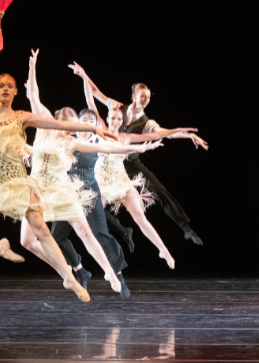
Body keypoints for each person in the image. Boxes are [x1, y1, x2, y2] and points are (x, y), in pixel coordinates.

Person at [0, 54, 116, 302]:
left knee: (40, 229)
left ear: (16, 91)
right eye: (1, 86)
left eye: (10, 86)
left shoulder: (22, 116)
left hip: (15, 181)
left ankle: (70, 279)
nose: (5, 89)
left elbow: (56, 125)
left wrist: (93, 128)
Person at [22, 51, 168, 298]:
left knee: (89, 232)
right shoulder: (44, 126)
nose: (68, 130)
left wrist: (140, 147)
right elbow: (33, 96)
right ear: (56, 120)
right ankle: (71, 269)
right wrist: (33, 67)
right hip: (36, 191)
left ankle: (112, 273)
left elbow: (106, 146)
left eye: (72, 127)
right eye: (65, 125)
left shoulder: (73, 142)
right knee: (28, 242)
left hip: (67, 191)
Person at [71, 62, 196, 269]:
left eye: (118, 120)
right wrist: (84, 76)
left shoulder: (126, 137)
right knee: (93, 220)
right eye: (112, 118)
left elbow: (156, 133)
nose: (114, 121)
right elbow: (91, 101)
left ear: (121, 121)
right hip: (102, 184)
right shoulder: (100, 128)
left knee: (140, 217)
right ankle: (108, 262)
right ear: (108, 117)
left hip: (122, 182)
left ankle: (164, 251)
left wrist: (180, 131)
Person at [83, 72, 208, 245]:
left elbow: (165, 134)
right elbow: (95, 93)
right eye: (143, 96)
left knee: (158, 189)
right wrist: (84, 75)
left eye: (148, 97)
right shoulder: (118, 108)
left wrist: (187, 136)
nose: (146, 99)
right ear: (134, 96)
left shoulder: (147, 123)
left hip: (131, 164)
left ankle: (186, 228)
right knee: (94, 203)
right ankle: (122, 230)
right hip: (110, 164)